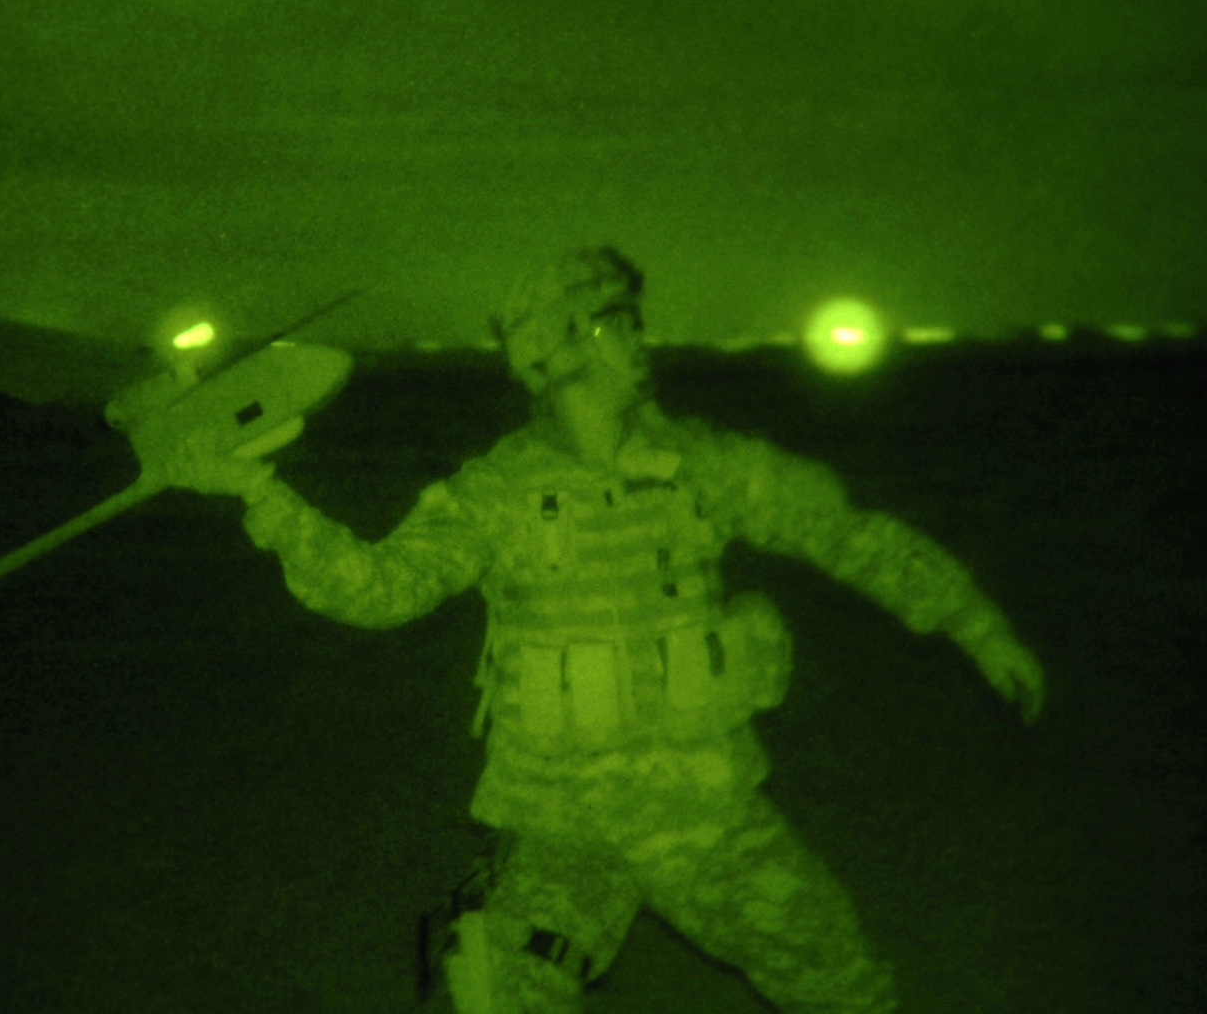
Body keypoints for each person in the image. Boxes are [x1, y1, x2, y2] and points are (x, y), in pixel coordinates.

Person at [153, 247, 1046, 1014]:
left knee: (850, 992)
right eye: (617, 322)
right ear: (563, 348)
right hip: (561, 824)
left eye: (632, 320)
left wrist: (976, 623)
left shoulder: (704, 464)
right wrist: (260, 497)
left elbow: (850, 533)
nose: (638, 339)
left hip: (706, 814)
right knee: (503, 992)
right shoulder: (497, 491)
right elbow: (377, 588)